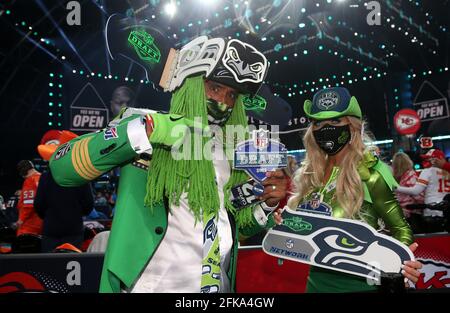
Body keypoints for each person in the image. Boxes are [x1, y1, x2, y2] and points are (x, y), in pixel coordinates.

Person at [49, 36, 287, 293]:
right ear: (191, 82)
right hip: (153, 287)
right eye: (215, 88)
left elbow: (229, 227)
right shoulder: (145, 124)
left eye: (232, 94)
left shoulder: (230, 147)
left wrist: (266, 204)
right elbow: (63, 168)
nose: (225, 102)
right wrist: (147, 132)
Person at [287, 87, 422, 292]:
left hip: (361, 284)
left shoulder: (370, 175)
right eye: (318, 123)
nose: (326, 128)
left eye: (335, 122)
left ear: (352, 127)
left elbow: (401, 229)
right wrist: (283, 222)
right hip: (316, 283)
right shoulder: (310, 176)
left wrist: (399, 262)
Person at [34, 170, 94, 252]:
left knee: (49, 263)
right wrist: (77, 214)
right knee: (72, 260)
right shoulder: (81, 174)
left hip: (51, 228)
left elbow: (38, 204)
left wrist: (48, 216)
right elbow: (89, 203)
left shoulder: (46, 176)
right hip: (73, 227)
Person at [395, 149, 450, 232]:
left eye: (428, 158)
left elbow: (416, 191)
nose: (426, 161)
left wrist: (395, 188)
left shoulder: (427, 172)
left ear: (435, 160)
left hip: (432, 210)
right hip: (447, 210)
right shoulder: (448, 172)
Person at [391, 152, 424, 222]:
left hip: (398, 212)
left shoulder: (393, 178)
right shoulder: (410, 174)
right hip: (412, 213)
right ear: (408, 161)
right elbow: (418, 195)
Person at [15, 160, 43, 236]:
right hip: (42, 222)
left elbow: (29, 204)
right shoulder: (43, 178)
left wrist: (21, 220)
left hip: (29, 224)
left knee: (22, 245)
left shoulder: (30, 180)